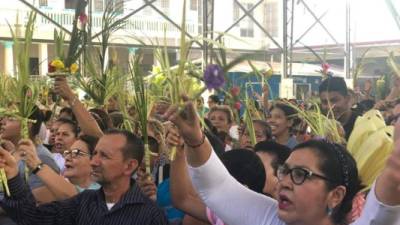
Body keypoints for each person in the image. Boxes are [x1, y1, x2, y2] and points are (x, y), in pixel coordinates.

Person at [163, 97, 400, 225]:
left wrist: (394, 169)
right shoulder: (271, 219)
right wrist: (194, 137)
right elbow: (217, 187)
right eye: (285, 171)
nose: (284, 182)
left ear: (335, 195)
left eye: (300, 174)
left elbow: (381, 213)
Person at [0, 129, 168, 225]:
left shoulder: (150, 216)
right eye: (94, 154)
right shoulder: (83, 202)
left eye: (104, 156)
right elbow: (32, 217)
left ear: (129, 166)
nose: (94, 162)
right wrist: (13, 176)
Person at [0, 106, 60, 204]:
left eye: (11, 118)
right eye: (4, 117)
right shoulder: (12, 152)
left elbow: (30, 203)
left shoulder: (41, 158)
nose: (3, 121)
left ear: (27, 124)